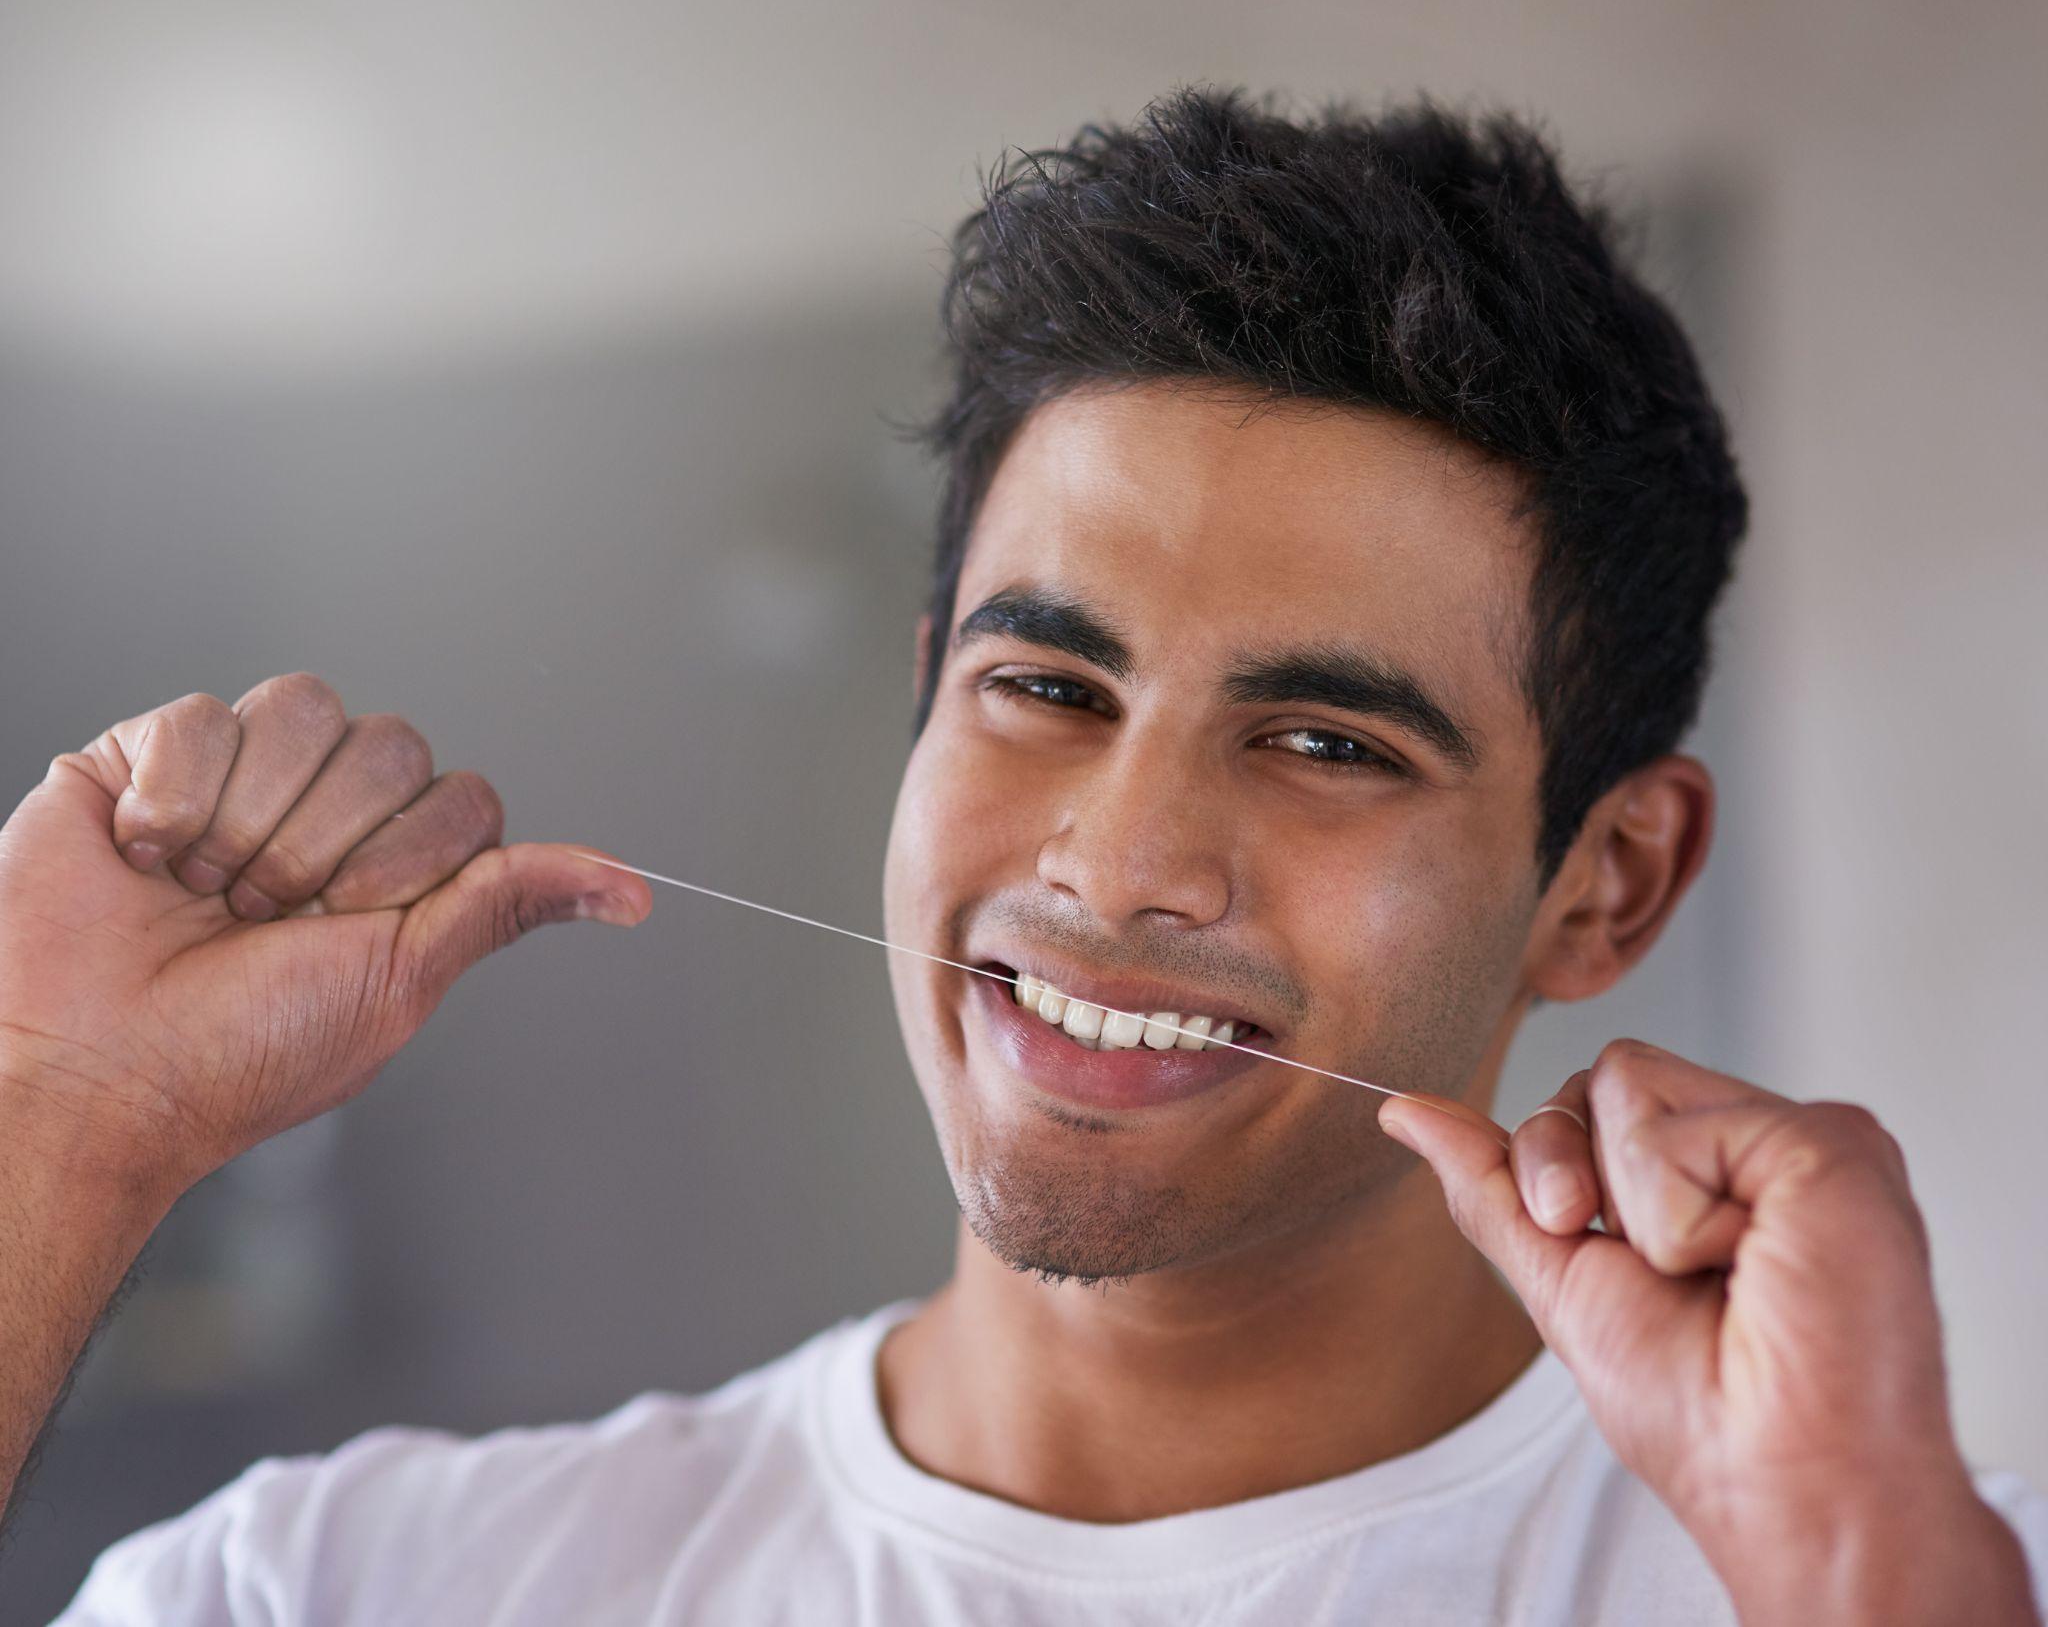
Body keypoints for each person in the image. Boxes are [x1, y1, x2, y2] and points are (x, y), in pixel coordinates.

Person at [5, 86, 2042, 1625]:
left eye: (1325, 742)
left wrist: (1861, 1575)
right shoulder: (342, 1593)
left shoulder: (1870, 1579)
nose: (1127, 858)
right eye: (1047, 692)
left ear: (1606, 882)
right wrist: (54, 1124)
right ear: (919, 704)